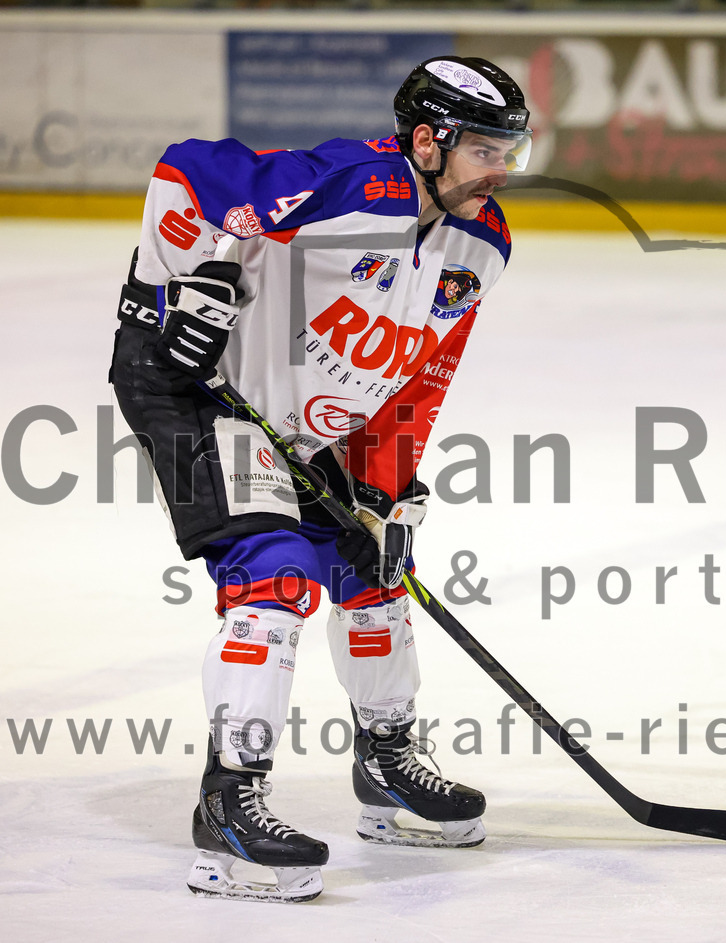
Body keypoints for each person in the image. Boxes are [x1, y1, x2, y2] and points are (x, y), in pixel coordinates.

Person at [110, 56, 532, 903]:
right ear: (427, 141)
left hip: (307, 422)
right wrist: (186, 289)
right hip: (200, 389)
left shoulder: (481, 243)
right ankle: (229, 803)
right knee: (274, 574)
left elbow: (421, 377)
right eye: (486, 150)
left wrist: (386, 488)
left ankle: (386, 764)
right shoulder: (350, 183)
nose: (502, 171)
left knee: (372, 569)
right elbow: (186, 172)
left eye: (512, 152)